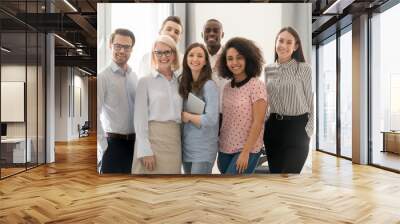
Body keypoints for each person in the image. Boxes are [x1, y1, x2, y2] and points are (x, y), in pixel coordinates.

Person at [264, 27, 314, 173]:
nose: (283, 45)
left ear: (295, 46)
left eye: (288, 42)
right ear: (275, 43)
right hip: (273, 129)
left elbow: (311, 100)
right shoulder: (268, 69)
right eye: (280, 41)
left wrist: (308, 130)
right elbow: (268, 102)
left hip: (298, 129)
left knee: (289, 177)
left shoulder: (304, 69)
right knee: (276, 176)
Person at [132, 35, 182, 174]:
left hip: (174, 140)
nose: (163, 56)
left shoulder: (180, 81)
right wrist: (145, 150)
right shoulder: (145, 81)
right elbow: (139, 118)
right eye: (158, 52)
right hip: (152, 139)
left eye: (167, 52)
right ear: (153, 55)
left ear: (174, 55)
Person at [217, 37, 267, 174]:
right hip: (224, 149)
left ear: (247, 59)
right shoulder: (227, 87)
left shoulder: (256, 85)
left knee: (232, 191)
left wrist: (245, 153)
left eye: (239, 58)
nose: (234, 63)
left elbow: (259, 122)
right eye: (230, 58)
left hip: (246, 150)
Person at [97, 28, 137, 173]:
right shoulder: (103, 77)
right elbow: (95, 114)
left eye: (126, 47)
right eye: (117, 46)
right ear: (110, 45)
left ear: (132, 49)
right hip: (113, 145)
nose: (122, 51)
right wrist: (104, 146)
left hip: (134, 145)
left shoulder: (134, 77)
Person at [179, 43, 219, 174]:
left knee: (198, 191)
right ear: (185, 59)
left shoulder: (209, 85)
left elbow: (212, 119)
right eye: (191, 55)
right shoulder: (184, 84)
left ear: (205, 62)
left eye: (200, 56)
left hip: (203, 150)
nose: (195, 59)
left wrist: (188, 116)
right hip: (187, 148)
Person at [202, 19, 229, 119]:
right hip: (202, 114)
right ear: (202, 34)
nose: (211, 33)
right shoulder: (197, 57)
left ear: (222, 34)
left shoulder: (230, 56)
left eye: (216, 30)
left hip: (225, 113)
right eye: (207, 30)